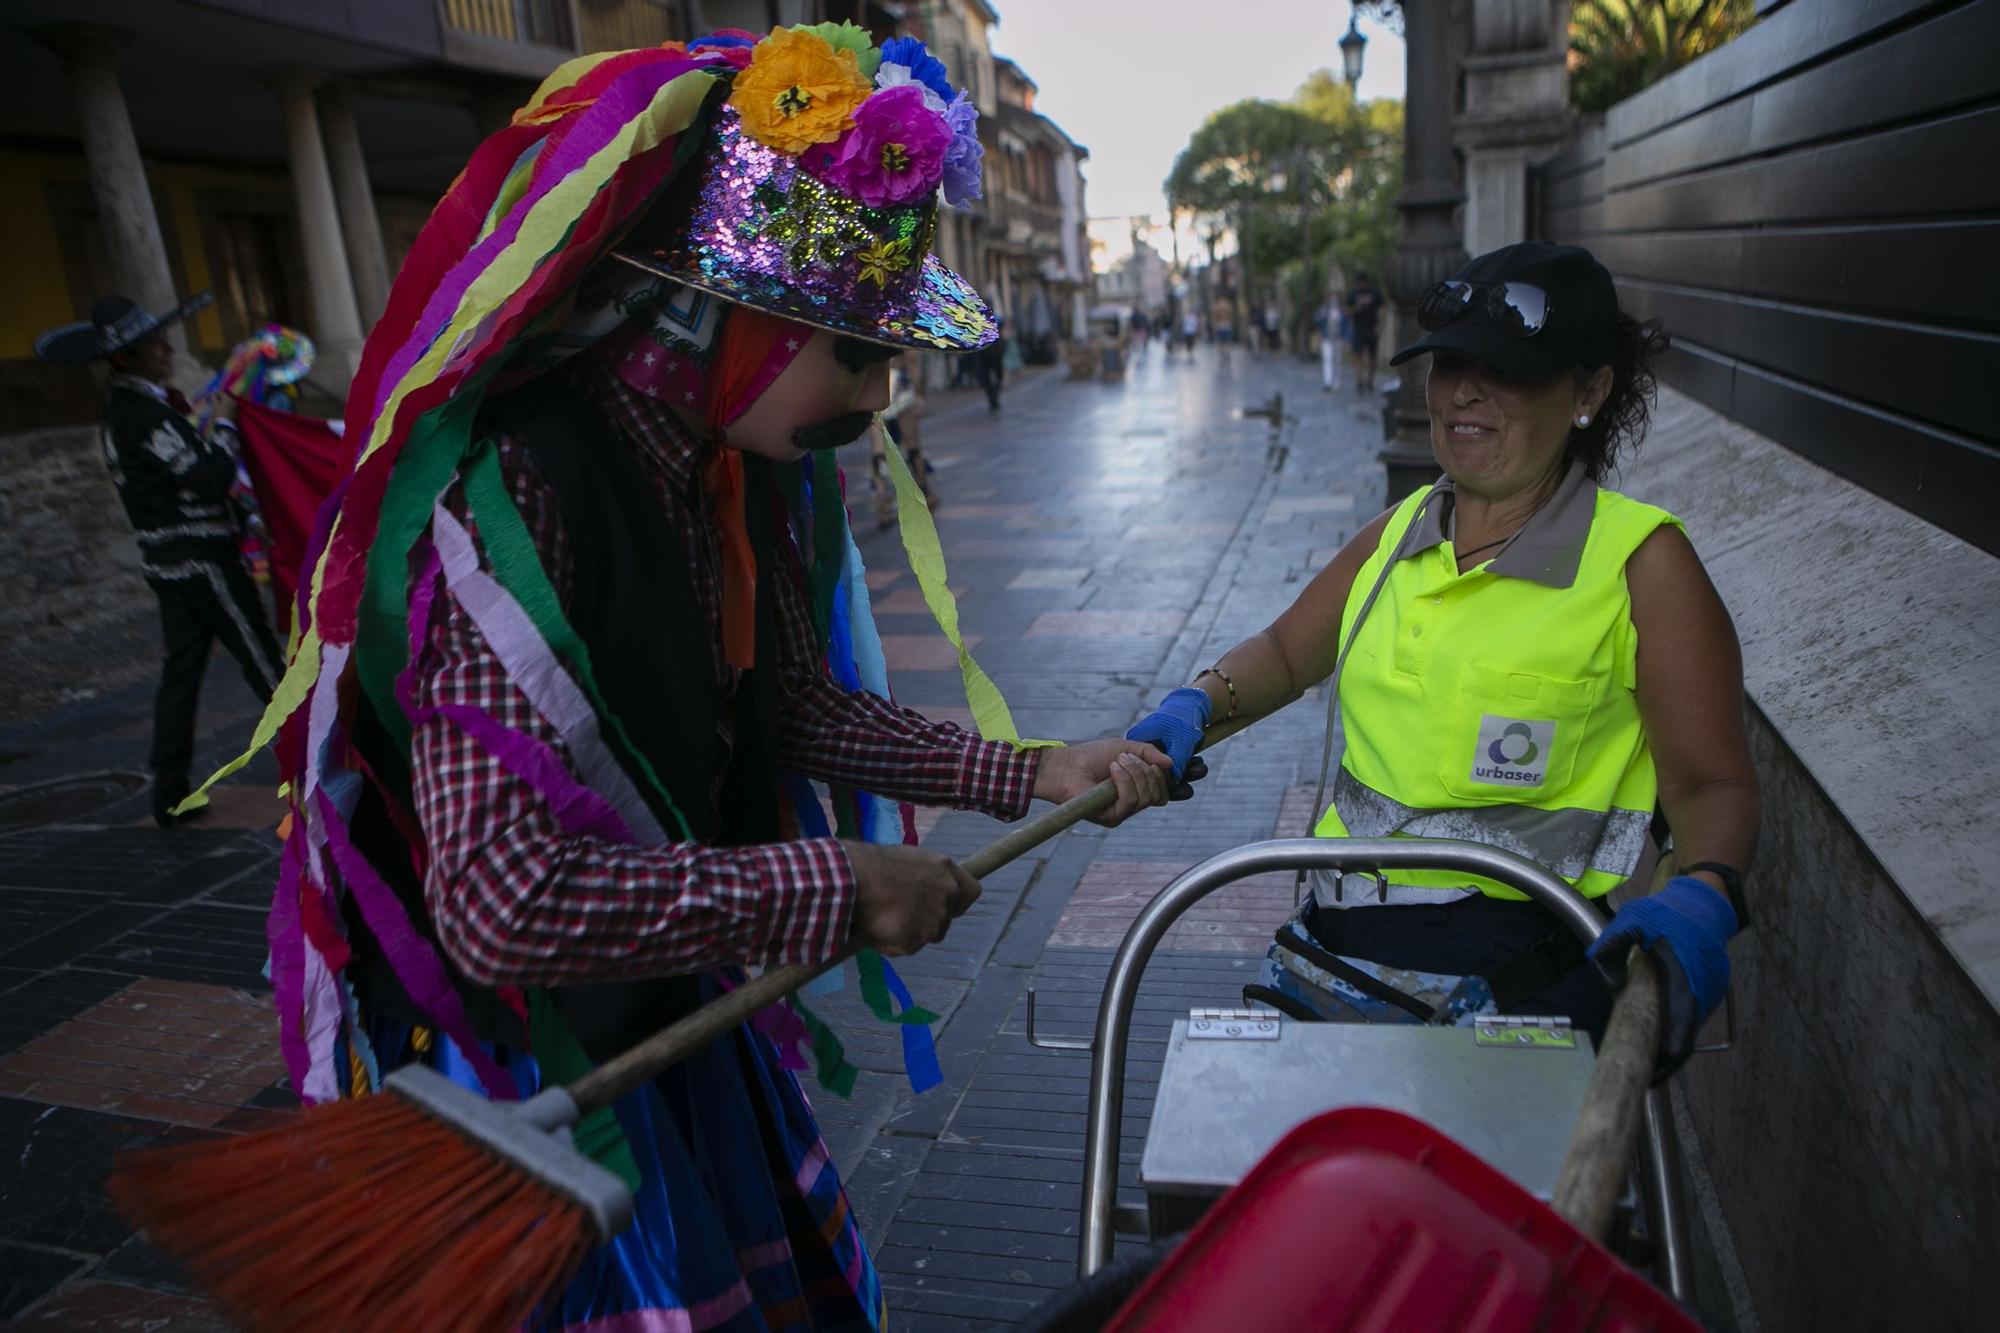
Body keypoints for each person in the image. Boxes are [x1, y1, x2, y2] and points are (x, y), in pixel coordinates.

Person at [215, 30, 1173, 1332]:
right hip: (542, 1072)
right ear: (733, 318)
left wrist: (1030, 770)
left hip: (672, 1005)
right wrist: (835, 881)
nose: (884, 393)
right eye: (856, 350)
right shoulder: (518, 501)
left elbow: (787, 705)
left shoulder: (736, 471)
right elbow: (505, 906)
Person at [1127, 242, 1757, 1074]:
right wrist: (1196, 705)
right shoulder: (1397, 536)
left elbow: (1712, 783)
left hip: (1520, 979)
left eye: (1509, 370)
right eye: (1450, 363)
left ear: (1589, 391)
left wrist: (1702, 892)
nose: (1466, 390)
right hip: (1337, 952)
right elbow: (1285, 651)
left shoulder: (1643, 563)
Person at [34, 293, 282, 827]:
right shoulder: (143, 415)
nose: (167, 348)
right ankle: (318, 768)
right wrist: (227, 423)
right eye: (153, 345)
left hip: (170, 561)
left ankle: (170, 792)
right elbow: (211, 477)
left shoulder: (134, 410)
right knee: (264, 664)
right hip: (201, 559)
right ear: (125, 359)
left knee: (183, 674)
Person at [1346, 269, 1383, 393]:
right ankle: (1359, 381)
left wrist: (1379, 325)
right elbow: (1347, 311)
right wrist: (1355, 309)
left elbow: (1383, 308)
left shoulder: (1374, 293)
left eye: (1362, 282)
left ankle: (1370, 381)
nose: (1360, 285)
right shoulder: (1352, 294)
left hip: (1372, 329)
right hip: (1358, 329)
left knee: (1372, 357)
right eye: (1359, 282)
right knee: (1358, 356)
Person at [974, 313, 1006, 412]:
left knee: (988, 379)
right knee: (998, 376)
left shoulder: (980, 321)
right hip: (994, 354)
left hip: (986, 355)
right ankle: (994, 395)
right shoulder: (996, 320)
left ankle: (992, 396)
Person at [1317, 293, 1346, 393]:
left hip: (1338, 340)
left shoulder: (1341, 313)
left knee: (1337, 362)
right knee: (1327, 360)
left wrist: (1346, 338)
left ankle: (1337, 382)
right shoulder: (1325, 311)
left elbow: (1346, 326)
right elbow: (1317, 321)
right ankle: (1327, 382)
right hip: (1327, 339)